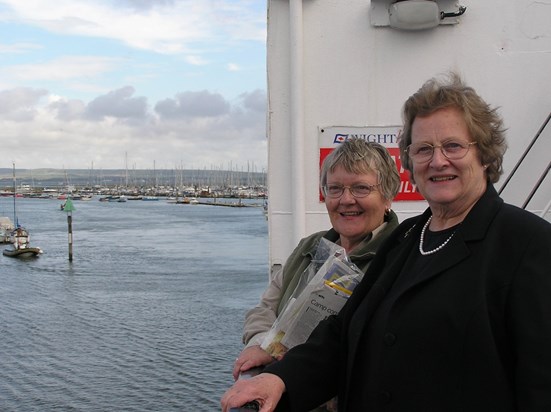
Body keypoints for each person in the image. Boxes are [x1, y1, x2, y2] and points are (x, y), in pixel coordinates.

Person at [221, 72, 551, 412]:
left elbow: (541, 383)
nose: (438, 161)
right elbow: (343, 333)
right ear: (410, 161)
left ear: (483, 154)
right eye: (423, 149)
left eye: (453, 146)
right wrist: (282, 378)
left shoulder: (529, 246)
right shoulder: (407, 239)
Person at [231, 139, 401, 410]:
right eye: (335, 189)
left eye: (361, 188)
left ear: (388, 195)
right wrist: (260, 345)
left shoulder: (400, 258)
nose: (346, 200)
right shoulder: (309, 248)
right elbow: (265, 308)